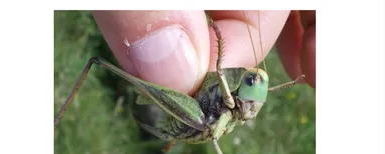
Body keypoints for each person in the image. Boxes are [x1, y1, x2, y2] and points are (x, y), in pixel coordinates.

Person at [92, 10, 315, 95]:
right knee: (98, 61)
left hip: (193, 123)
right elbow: (219, 70)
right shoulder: (226, 86)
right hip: (182, 110)